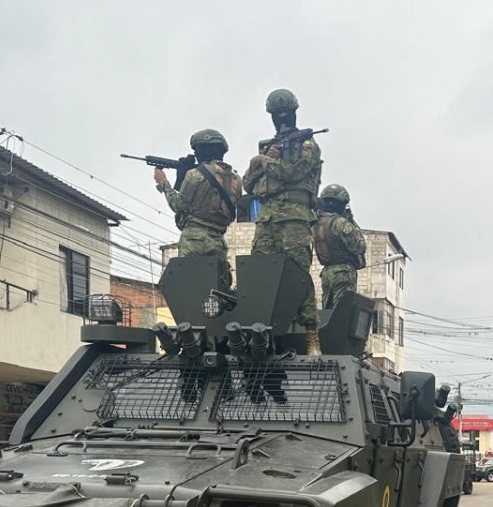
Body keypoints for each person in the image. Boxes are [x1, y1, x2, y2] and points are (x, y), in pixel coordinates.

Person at [244, 88, 324, 354]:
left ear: (294, 112)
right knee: (261, 276)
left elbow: (293, 172)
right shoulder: (267, 147)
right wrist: (259, 161)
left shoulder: (307, 144)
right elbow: (247, 184)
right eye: (275, 114)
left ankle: (311, 335)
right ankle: (264, 336)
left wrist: (264, 161)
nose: (281, 118)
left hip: (295, 216)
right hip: (267, 217)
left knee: (298, 275)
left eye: (285, 113)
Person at [153, 129, 241, 292]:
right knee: (217, 291)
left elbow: (179, 205)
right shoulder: (236, 179)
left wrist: (163, 183)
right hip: (218, 241)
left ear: (202, 150)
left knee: (189, 292)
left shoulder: (195, 175)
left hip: (194, 240)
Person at [314, 184, 366, 309]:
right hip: (343, 272)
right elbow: (359, 246)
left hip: (326, 273)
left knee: (328, 311)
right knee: (343, 311)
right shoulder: (339, 222)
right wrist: (351, 221)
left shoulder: (317, 223)